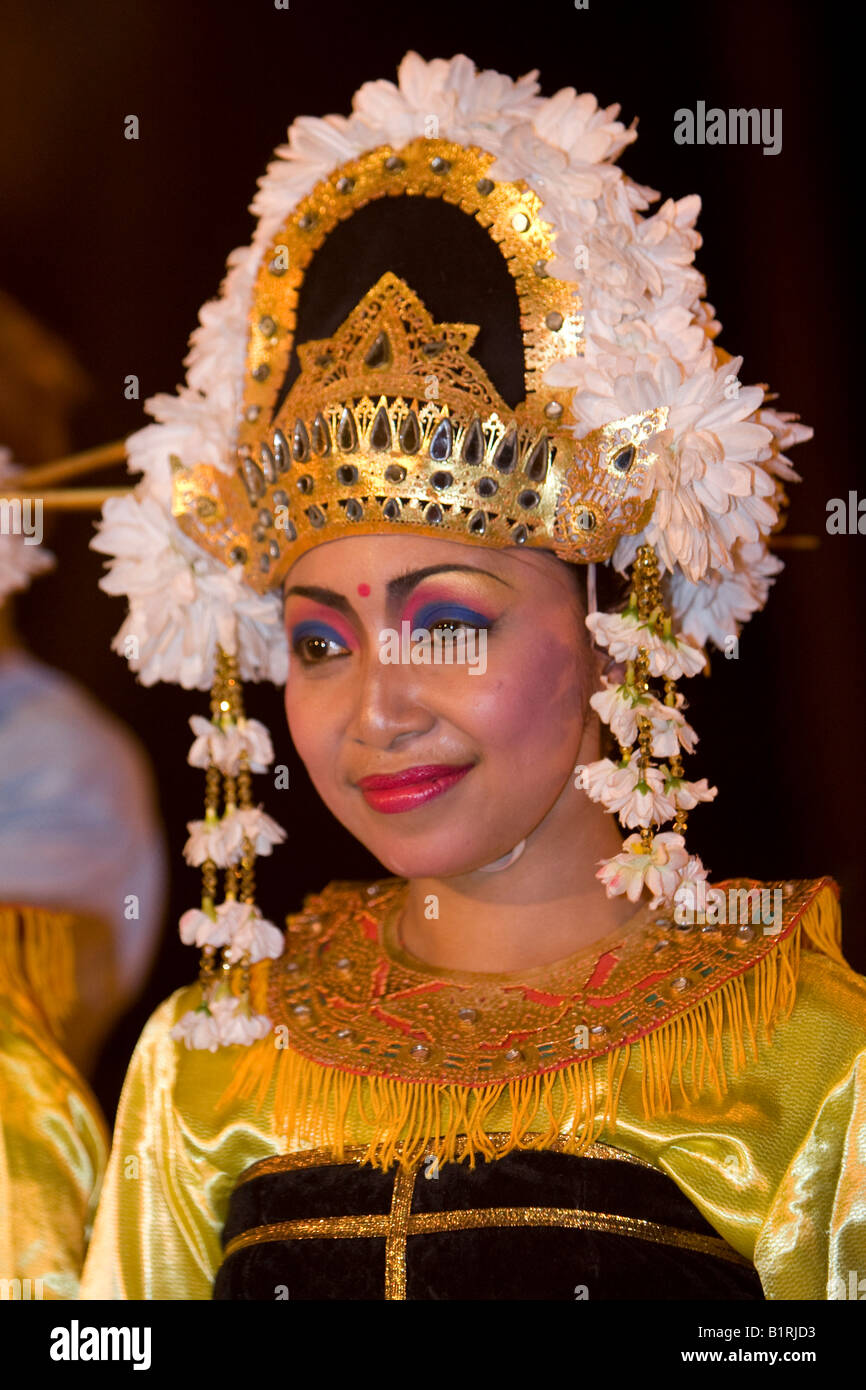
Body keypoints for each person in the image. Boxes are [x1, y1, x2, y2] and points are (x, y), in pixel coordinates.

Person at [79, 52, 865, 1301]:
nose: (377, 707)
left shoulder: (809, 1058)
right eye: (321, 642)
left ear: (614, 618)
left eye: (444, 623)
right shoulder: (211, 1060)